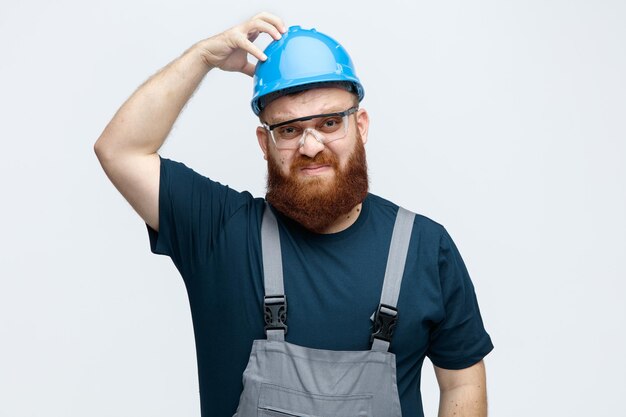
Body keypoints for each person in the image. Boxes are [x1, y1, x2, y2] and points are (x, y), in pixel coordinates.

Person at [94, 12, 493, 417]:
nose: (311, 145)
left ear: (362, 125)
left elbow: (461, 379)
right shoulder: (221, 233)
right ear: (264, 143)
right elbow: (120, 151)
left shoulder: (425, 248)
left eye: (330, 122)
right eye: (288, 129)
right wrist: (202, 57)